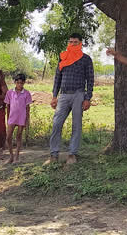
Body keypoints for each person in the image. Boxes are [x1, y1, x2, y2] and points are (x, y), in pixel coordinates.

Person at [47, 33, 94, 165]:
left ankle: (72, 154)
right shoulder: (63, 57)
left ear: (80, 44)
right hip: (63, 95)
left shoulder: (86, 59)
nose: (72, 44)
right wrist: (54, 96)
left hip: (79, 94)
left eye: (75, 42)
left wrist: (87, 98)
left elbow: (90, 80)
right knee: (56, 123)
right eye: (70, 42)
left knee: (76, 125)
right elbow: (57, 78)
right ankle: (53, 155)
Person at [4, 72, 32, 164]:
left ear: (24, 83)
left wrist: (27, 120)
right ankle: (11, 156)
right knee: (8, 137)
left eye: (21, 83)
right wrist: (8, 118)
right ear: (15, 82)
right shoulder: (10, 92)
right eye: (18, 82)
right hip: (12, 118)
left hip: (21, 118)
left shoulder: (26, 93)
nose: (19, 85)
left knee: (19, 136)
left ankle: (17, 157)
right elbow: (8, 106)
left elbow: (28, 108)